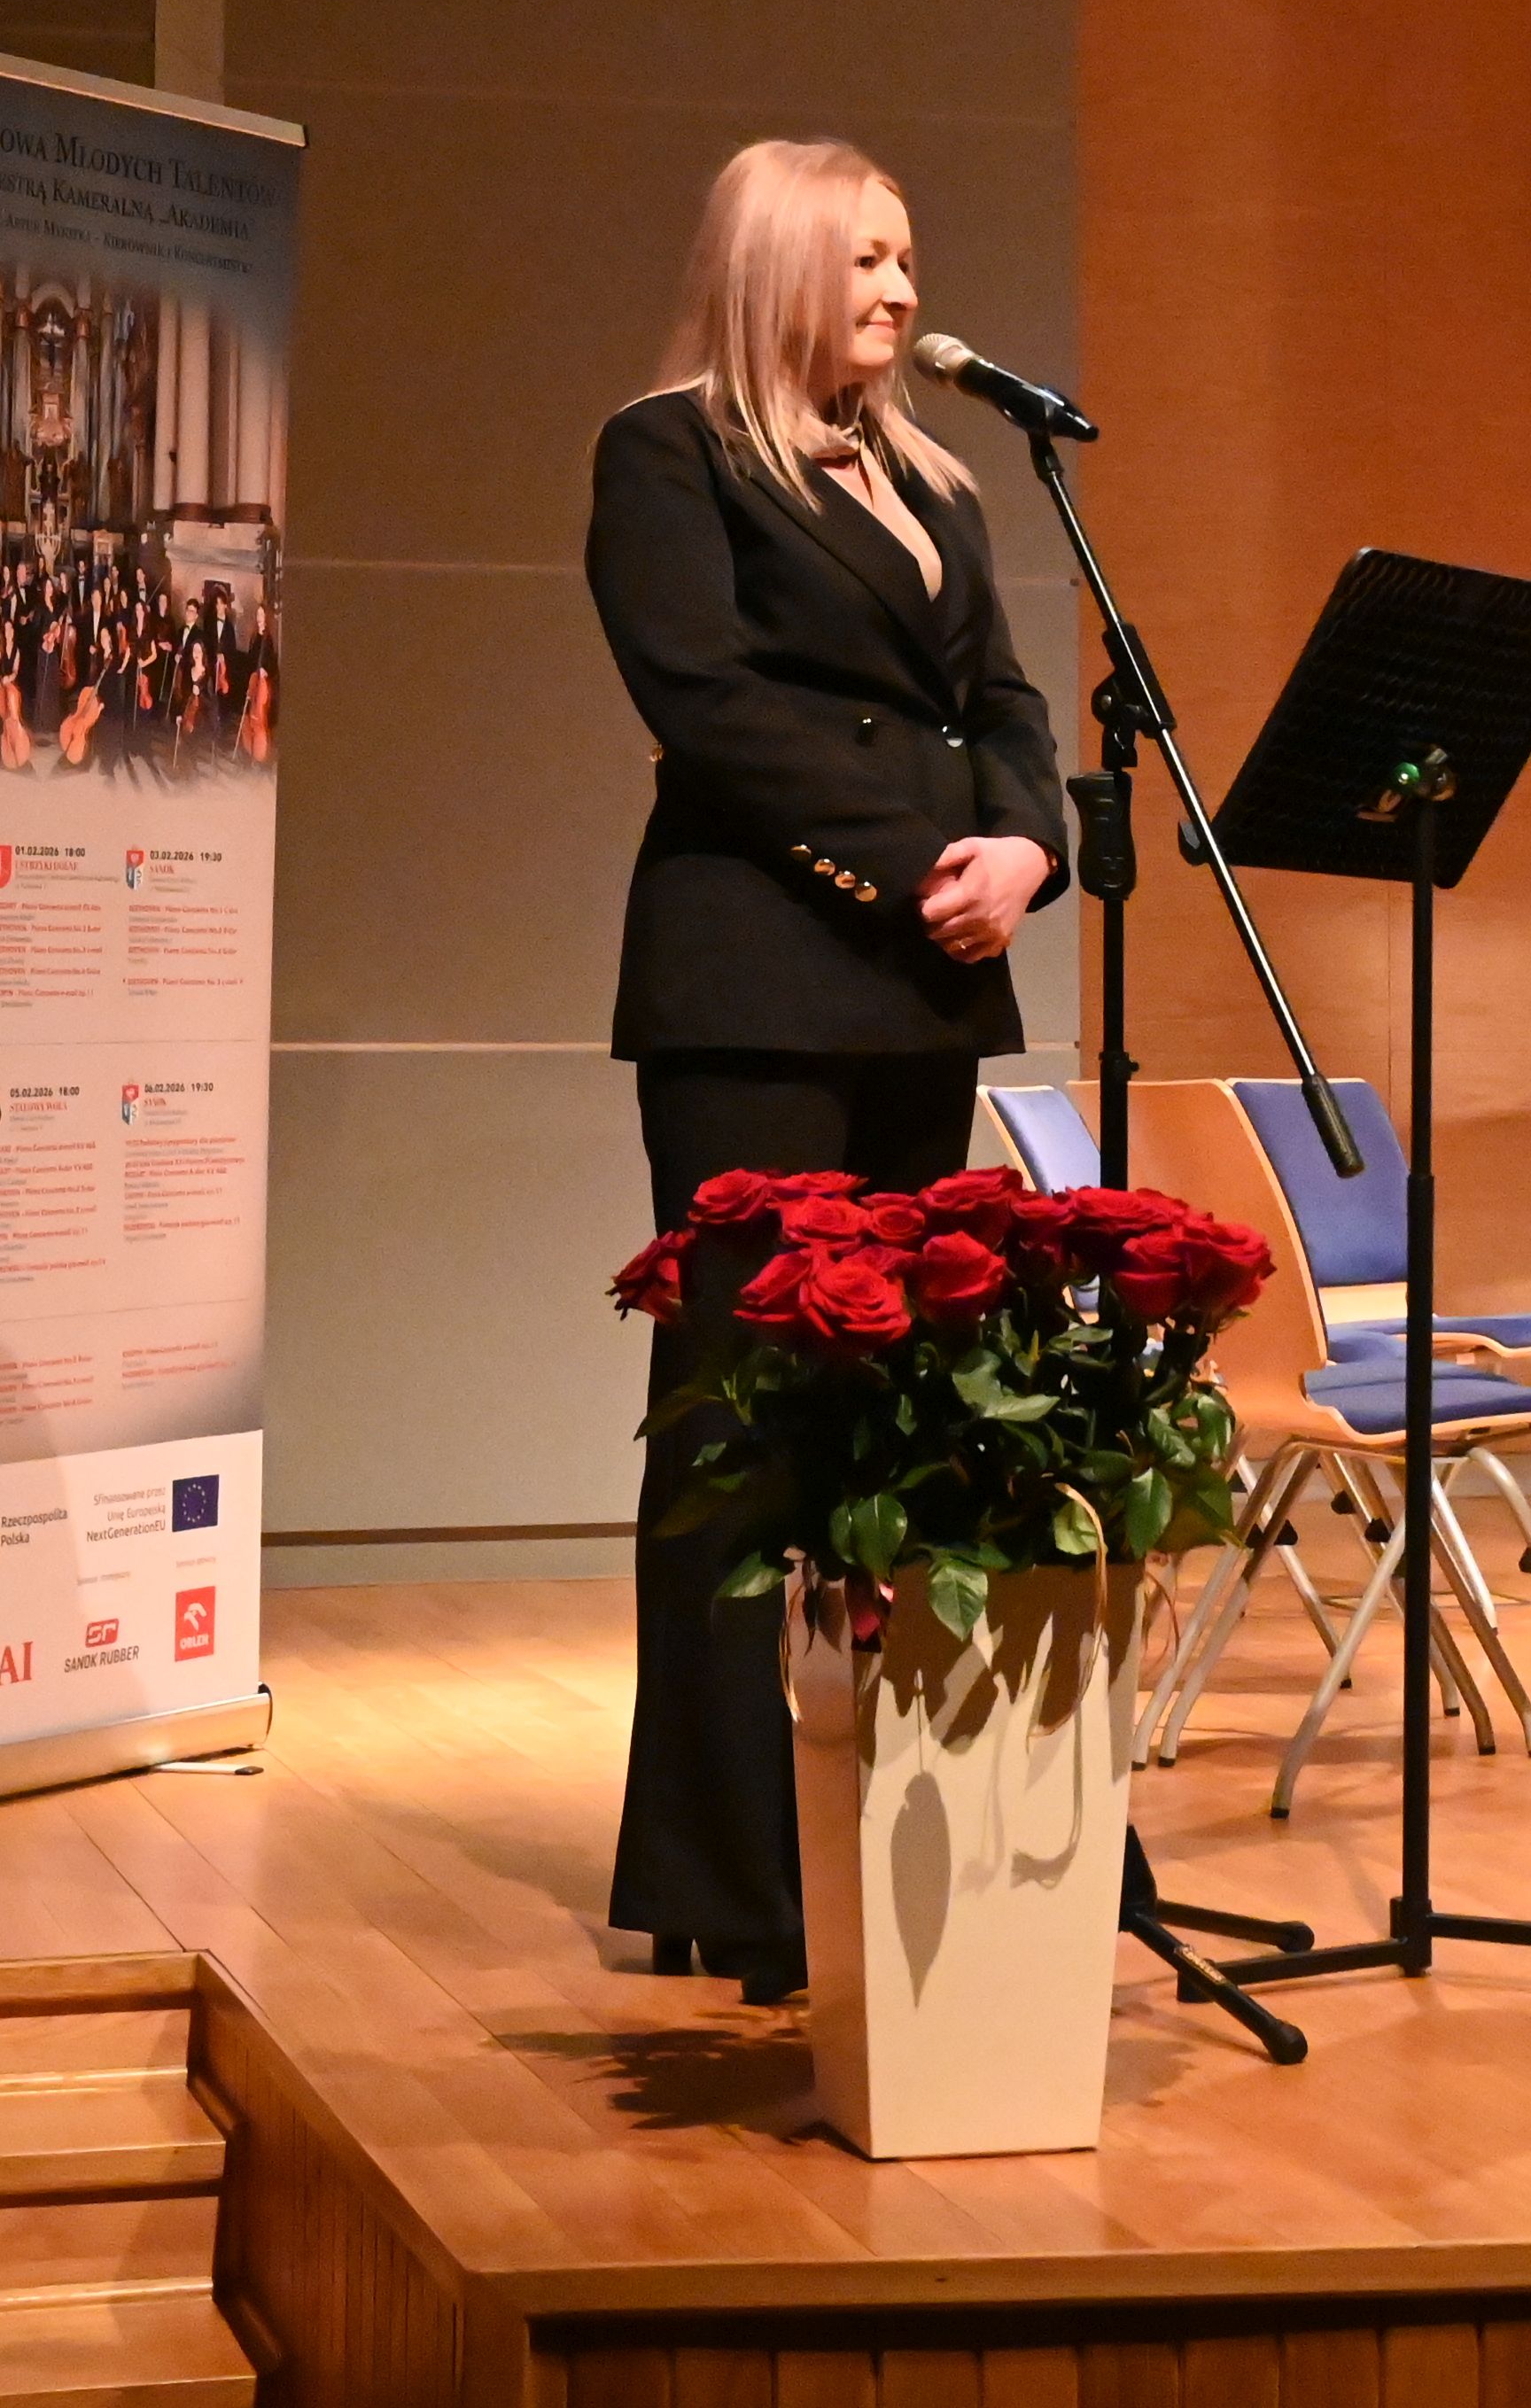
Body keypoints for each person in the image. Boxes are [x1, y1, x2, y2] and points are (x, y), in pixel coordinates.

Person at [586, 136, 1063, 2003]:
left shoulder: (936, 476)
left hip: (921, 984)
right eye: (866, 260)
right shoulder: (669, 452)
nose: (903, 291)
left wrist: (1026, 852)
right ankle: (722, 1869)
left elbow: (1004, 702)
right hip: (761, 986)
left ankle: (884, 1816)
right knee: (741, 1417)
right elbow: (705, 704)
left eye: (909, 258)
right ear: (778, 264)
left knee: (895, 1410)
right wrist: (920, 858)